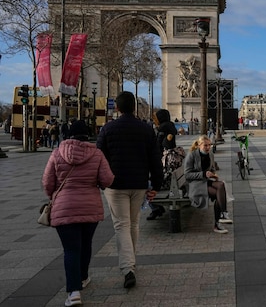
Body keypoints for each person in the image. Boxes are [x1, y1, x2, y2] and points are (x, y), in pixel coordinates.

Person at [42, 120, 115, 306]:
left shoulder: (57, 153)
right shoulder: (97, 154)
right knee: (85, 243)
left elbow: (47, 184)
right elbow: (107, 180)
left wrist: (57, 193)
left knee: (71, 249)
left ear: (68, 135)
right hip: (90, 206)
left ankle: (74, 292)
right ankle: (82, 277)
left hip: (64, 208)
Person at [96, 91, 163, 289]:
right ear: (134, 107)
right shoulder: (146, 129)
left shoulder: (107, 129)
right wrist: (156, 186)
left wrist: (101, 181)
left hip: (115, 184)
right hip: (139, 183)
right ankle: (130, 262)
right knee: (133, 224)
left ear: (117, 108)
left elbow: (100, 158)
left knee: (121, 225)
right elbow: (155, 159)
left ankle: (127, 268)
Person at [184, 135, 232, 234]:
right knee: (218, 193)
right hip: (195, 185)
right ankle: (218, 223)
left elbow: (212, 169)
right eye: (205, 145)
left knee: (221, 185)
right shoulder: (192, 155)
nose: (208, 148)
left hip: (205, 181)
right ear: (199, 145)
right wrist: (203, 174)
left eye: (209, 145)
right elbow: (187, 175)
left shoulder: (210, 154)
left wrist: (213, 175)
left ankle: (223, 214)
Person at [147, 109, 179, 220]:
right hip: (171, 172)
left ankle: (155, 208)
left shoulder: (162, 128)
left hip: (165, 167)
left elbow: (158, 145)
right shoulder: (171, 126)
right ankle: (157, 208)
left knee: (146, 185)